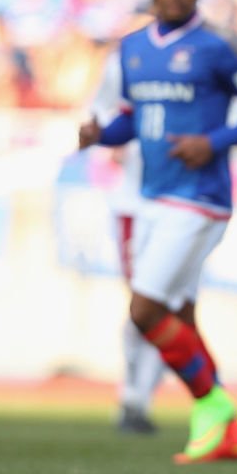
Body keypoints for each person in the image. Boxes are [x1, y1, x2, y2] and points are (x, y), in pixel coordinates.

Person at [78, 0, 237, 463]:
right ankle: (227, 432)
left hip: (200, 198)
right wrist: (101, 132)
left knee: (145, 310)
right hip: (150, 198)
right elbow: (133, 118)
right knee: (180, 313)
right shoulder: (131, 50)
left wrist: (212, 142)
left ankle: (212, 405)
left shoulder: (219, 45)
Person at [87, 50, 165, 434]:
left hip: (183, 204)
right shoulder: (123, 63)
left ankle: (141, 396)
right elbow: (99, 113)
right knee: (145, 305)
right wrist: (109, 137)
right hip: (137, 204)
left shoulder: (205, 55)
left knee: (173, 306)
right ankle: (134, 397)